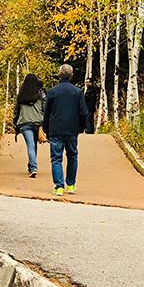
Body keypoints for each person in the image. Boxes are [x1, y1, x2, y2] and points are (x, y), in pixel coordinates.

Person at [43, 63, 90, 196]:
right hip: (72, 129)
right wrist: (81, 128)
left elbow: (47, 113)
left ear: (59, 75)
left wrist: (46, 129)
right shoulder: (78, 92)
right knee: (72, 156)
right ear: (71, 75)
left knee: (56, 158)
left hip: (56, 129)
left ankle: (59, 186)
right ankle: (70, 184)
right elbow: (83, 112)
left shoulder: (52, 92)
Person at [12, 73, 46, 178]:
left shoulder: (21, 95)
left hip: (25, 123)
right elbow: (45, 109)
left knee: (31, 145)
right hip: (38, 123)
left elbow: (16, 111)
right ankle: (32, 166)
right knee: (33, 146)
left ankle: (32, 167)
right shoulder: (41, 95)